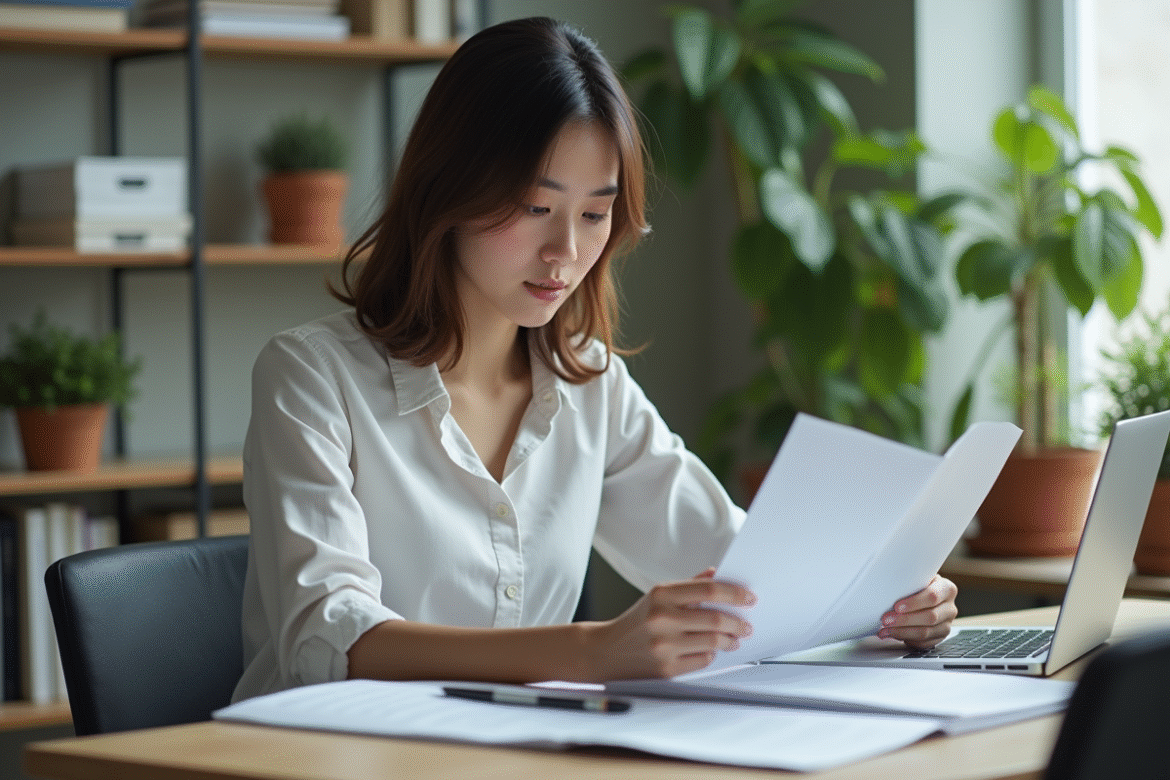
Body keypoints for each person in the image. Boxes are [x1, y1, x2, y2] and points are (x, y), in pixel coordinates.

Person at [231, 16, 957, 703]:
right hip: (323, 758)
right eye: (534, 207)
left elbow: (740, 571)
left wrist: (887, 598)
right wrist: (592, 652)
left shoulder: (588, 381)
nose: (566, 253)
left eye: (593, 212)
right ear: (448, 189)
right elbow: (328, 636)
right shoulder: (310, 378)